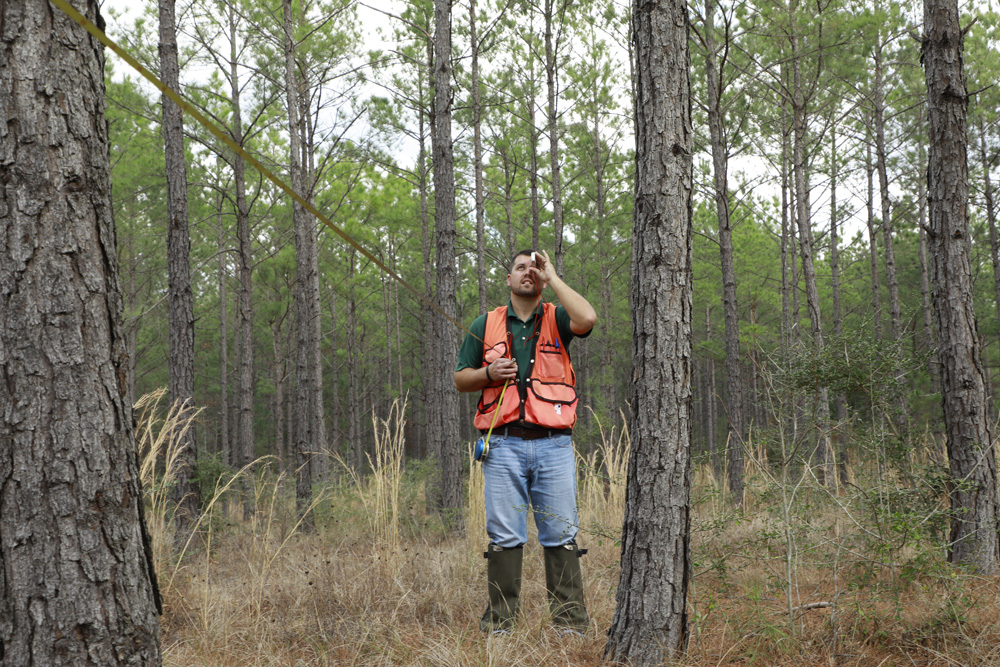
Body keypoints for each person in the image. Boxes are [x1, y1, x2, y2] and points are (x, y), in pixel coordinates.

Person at [454, 249, 597, 636]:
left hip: (554, 445)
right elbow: (460, 379)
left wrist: (553, 277)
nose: (527, 274)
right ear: (508, 279)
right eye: (521, 268)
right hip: (502, 446)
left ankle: (570, 626)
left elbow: (588, 318)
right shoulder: (485, 324)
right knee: (504, 535)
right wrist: (488, 372)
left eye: (534, 269)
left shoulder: (558, 316)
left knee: (561, 532)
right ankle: (500, 625)